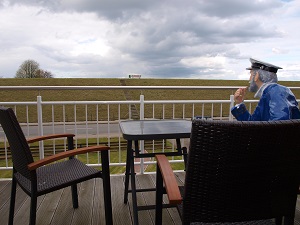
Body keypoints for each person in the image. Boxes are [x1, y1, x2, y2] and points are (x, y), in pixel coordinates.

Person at [231, 58, 300, 121]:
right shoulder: (270, 92)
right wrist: (239, 103)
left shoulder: (275, 92)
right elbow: (253, 123)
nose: (249, 79)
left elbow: (280, 124)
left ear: (256, 76)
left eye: (251, 74)